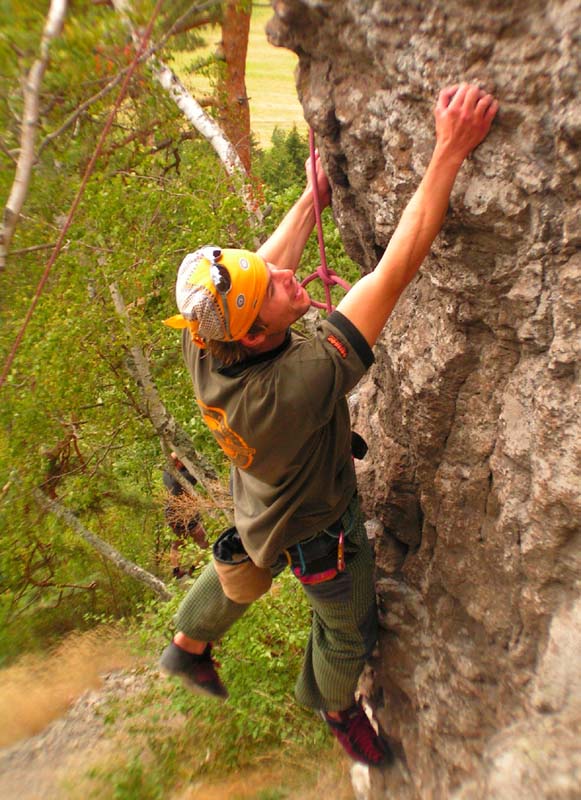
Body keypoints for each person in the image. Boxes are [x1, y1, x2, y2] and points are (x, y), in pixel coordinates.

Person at [160, 84, 498, 766]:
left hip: (258, 498)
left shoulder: (206, 336)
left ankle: (187, 644)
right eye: (274, 290)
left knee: (249, 556)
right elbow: (395, 268)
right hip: (318, 528)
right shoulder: (302, 378)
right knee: (346, 633)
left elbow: (259, 272)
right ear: (255, 335)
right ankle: (336, 706)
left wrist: (311, 197)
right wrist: (448, 151)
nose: (288, 278)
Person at [162, 452, 209, 579]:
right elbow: (200, 471)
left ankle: (176, 571)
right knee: (204, 542)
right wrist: (197, 456)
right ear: (178, 463)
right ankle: (193, 569)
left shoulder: (166, 474)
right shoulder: (184, 478)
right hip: (186, 514)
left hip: (172, 515)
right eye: (182, 460)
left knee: (177, 543)